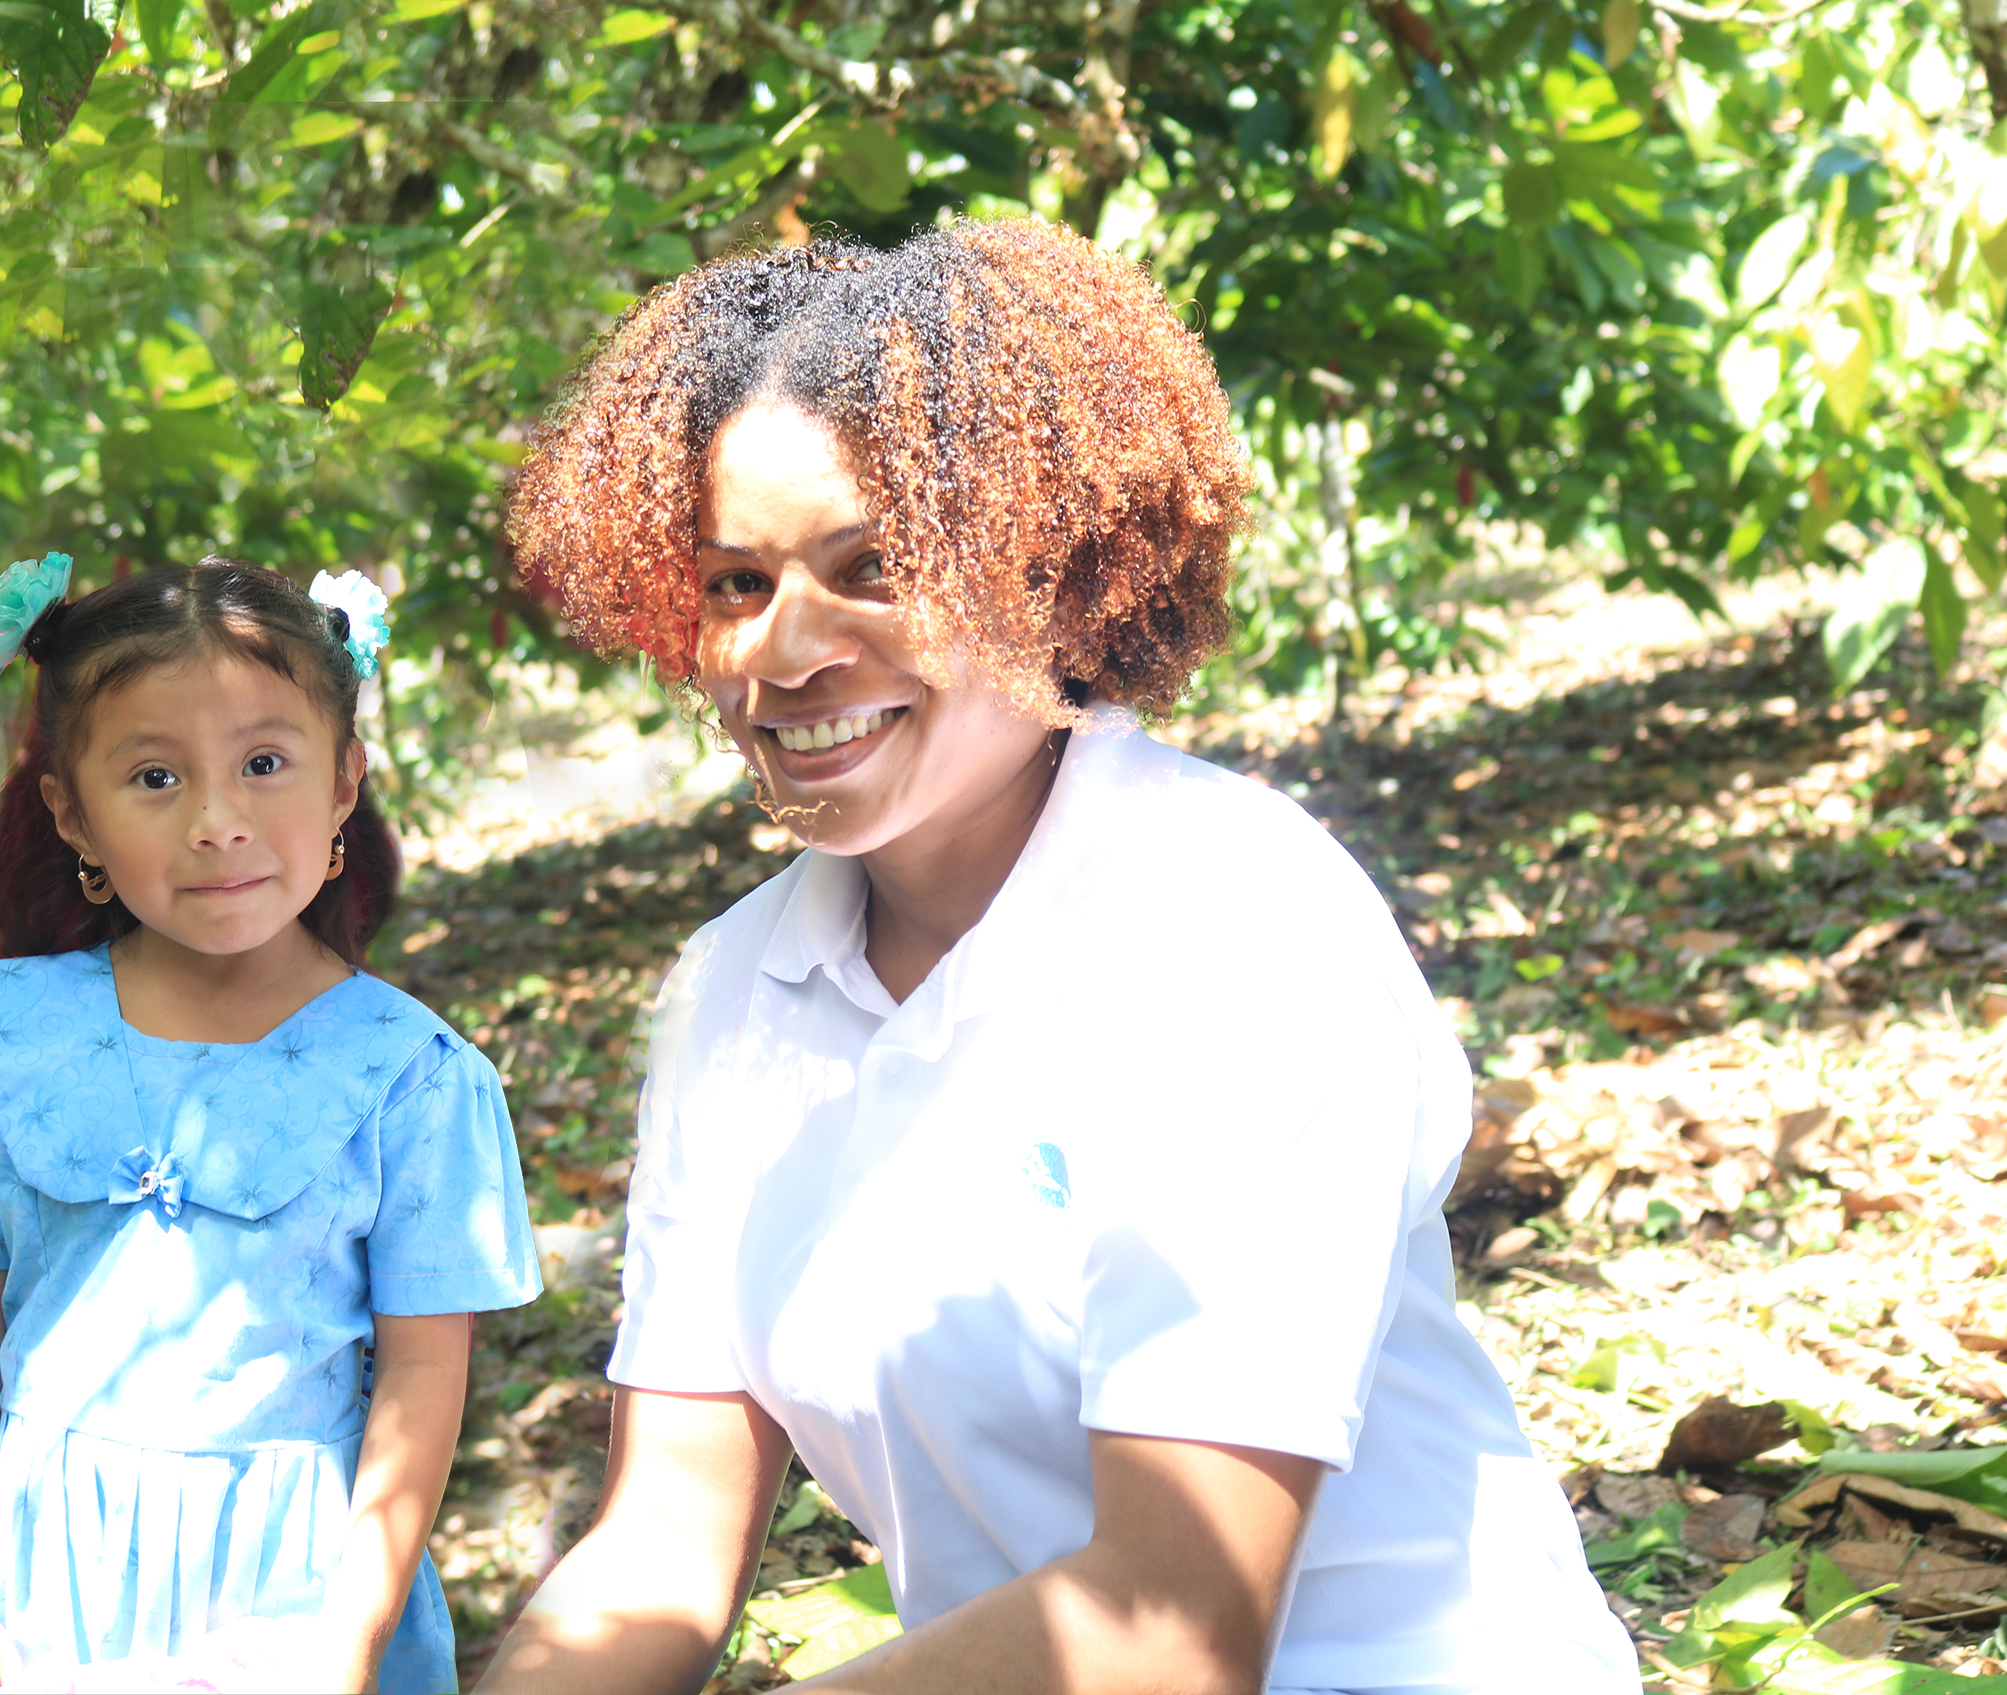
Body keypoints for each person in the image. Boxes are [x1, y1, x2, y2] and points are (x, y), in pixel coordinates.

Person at [479, 221, 1639, 1694]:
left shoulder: (1237, 928)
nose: (788, 649)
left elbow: (1173, 1625)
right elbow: (664, 1532)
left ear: (1047, 566)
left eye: (874, 563)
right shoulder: (733, 994)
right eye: (736, 585)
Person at [0, 556, 541, 1694]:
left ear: (343, 784)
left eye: (265, 764)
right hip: (46, 1589)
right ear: (71, 810)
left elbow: (424, 1374)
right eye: (156, 778)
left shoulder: (411, 1078)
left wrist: (350, 1635)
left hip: (298, 1598)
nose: (219, 823)